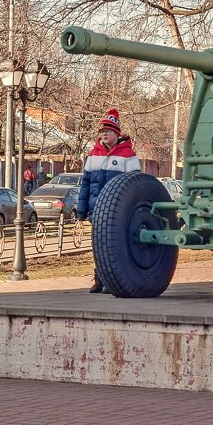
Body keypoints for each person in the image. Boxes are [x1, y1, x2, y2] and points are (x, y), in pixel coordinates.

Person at [77, 109, 141, 293]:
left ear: (117, 133)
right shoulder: (93, 155)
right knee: (98, 246)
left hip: (118, 212)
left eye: (108, 131)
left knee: (115, 246)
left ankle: (112, 281)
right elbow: (86, 185)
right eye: (102, 131)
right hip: (96, 210)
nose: (104, 134)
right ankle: (100, 279)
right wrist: (82, 211)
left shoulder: (128, 156)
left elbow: (134, 185)